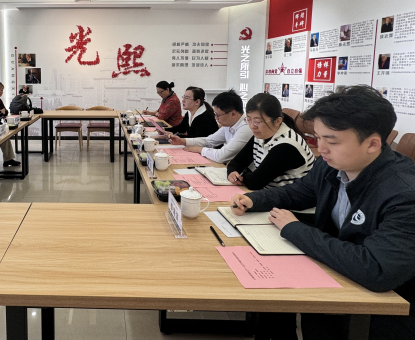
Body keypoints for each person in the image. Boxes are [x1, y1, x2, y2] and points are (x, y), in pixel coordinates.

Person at [230, 86, 415, 340]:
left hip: (385, 310)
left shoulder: (404, 193)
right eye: (318, 138)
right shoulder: (332, 164)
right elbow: (301, 191)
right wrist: (253, 200)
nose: (321, 148)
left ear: (372, 144)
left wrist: (294, 229)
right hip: (335, 275)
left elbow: (377, 270)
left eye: (332, 141)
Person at [226, 93, 314, 190]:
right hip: (270, 193)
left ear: (277, 121)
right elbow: (236, 162)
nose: (252, 126)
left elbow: (254, 183)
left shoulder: (287, 146)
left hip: (290, 197)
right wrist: (232, 172)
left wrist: (242, 173)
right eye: (249, 120)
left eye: (258, 122)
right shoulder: (262, 134)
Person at [170, 89, 252, 163]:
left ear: (233, 114)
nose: (216, 118)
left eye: (218, 115)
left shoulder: (246, 128)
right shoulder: (228, 124)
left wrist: (199, 149)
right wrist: (183, 141)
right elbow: (209, 141)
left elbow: (221, 156)